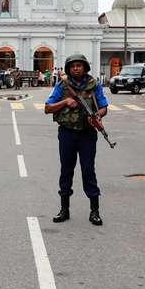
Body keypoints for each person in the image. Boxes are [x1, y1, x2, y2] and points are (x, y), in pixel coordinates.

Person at [44, 54, 108, 226]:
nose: (76, 68)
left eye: (79, 65)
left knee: (88, 170)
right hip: (67, 134)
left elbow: (103, 107)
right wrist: (65, 102)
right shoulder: (62, 86)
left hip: (87, 134)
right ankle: (64, 210)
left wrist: (97, 115)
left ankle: (94, 211)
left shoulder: (94, 85)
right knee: (66, 171)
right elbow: (47, 107)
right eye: (73, 66)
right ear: (68, 69)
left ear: (85, 67)